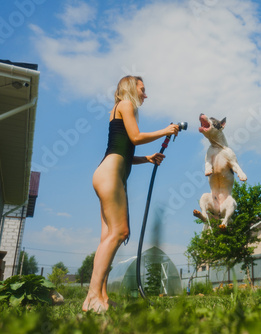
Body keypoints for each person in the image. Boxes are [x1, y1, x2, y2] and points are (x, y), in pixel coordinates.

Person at [82, 75, 179, 312]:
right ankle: (92, 298)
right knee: (120, 231)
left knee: (108, 237)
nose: (145, 95)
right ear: (130, 89)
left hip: (109, 173)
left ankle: (102, 297)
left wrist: (146, 159)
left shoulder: (121, 108)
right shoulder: (126, 105)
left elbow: (123, 149)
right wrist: (166, 129)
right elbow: (135, 137)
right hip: (110, 175)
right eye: (143, 90)